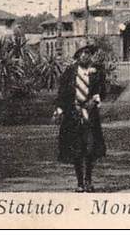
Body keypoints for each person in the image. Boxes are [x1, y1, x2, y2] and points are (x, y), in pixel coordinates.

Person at [54, 45, 107, 192]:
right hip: (74, 114)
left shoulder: (97, 72)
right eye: (82, 53)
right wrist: (60, 108)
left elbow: (102, 91)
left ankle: (88, 180)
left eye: (88, 53)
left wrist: (94, 100)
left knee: (90, 148)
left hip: (90, 114)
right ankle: (79, 183)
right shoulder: (70, 72)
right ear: (78, 56)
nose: (85, 56)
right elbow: (62, 92)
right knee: (76, 149)